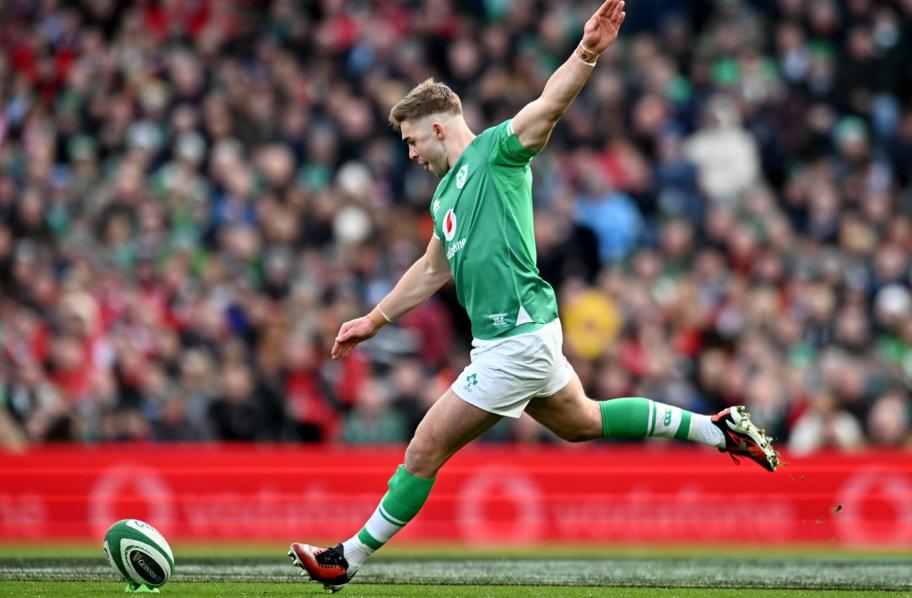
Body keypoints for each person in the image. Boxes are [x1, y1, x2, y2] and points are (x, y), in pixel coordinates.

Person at [289, 0, 779, 591]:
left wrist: (587, 51)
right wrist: (373, 320)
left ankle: (347, 559)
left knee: (423, 449)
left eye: (413, 140)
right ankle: (717, 429)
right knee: (581, 421)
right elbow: (429, 270)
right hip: (518, 336)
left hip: (515, 338)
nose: (411, 153)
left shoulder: (497, 153)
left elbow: (549, 105)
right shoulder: (444, 197)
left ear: (439, 126)